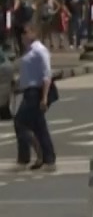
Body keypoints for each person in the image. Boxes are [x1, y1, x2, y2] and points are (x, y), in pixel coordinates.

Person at [13, 22, 56, 171]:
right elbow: (29, 74)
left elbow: (46, 75)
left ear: (33, 33)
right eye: (22, 34)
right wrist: (18, 86)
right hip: (28, 91)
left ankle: (31, 154)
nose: (22, 36)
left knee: (20, 122)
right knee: (39, 126)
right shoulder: (29, 51)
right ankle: (48, 159)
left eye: (25, 33)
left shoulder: (40, 50)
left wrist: (44, 97)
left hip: (35, 92)